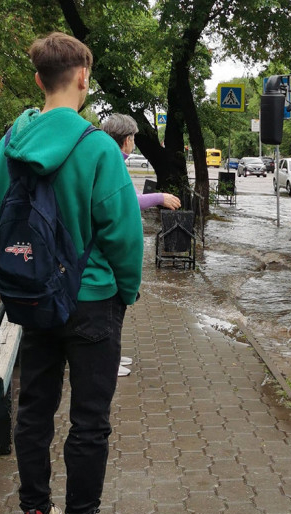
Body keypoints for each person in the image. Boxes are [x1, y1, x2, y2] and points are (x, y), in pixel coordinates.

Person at [0, 32, 142, 514]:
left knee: (33, 410)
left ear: (39, 80)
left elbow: (1, 220)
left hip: (33, 297)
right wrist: (127, 291)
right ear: (83, 76)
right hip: (92, 299)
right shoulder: (97, 147)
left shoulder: (7, 146)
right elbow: (123, 234)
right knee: (89, 418)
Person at [100, 113, 180, 378]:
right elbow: (128, 201)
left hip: (112, 249)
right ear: (126, 140)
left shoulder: (111, 159)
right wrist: (160, 197)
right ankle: (107, 361)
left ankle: (110, 355)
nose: (134, 142)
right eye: (133, 138)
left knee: (114, 306)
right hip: (109, 252)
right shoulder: (111, 161)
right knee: (111, 307)